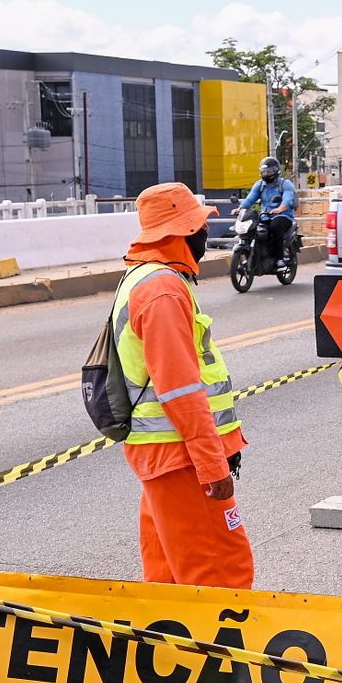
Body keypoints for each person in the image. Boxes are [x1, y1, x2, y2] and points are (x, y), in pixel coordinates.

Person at [116, 182, 252, 589]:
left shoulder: (143, 279)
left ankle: (169, 653)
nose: (203, 235)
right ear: (178, 234)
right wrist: (212, 464)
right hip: (182, 460)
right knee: (222, 574)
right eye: (197, 227)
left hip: (166, 458)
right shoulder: (162, 290)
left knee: (170, 577)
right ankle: (222, 654)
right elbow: (179, 390)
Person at [238, 156, 296, 266]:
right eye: (264, 171)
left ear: (276, 171)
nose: (266, 174)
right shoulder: (260, 185)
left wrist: (280, 209)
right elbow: (250, 199)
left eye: (269, 171)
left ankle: (279, 258)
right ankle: (254, 255)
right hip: (264, 216)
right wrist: (240, 208)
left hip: (283, 216)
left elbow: (288, 200)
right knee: (251, 230)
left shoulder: (285, 184)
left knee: (275, 227)